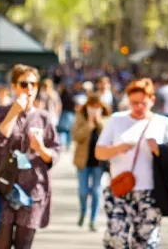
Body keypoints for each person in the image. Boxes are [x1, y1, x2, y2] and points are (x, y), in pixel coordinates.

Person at [95, 78, 168, 249]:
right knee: (117, 241)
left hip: (150, 193)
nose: (139, 107)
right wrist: (118, 148)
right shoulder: (116, 120)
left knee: (146, 243)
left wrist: (158, 150)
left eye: (143, 103)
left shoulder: (164, 123)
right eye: (134, 103)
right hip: (120, 190)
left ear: (152, 100)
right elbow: (99, 153)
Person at [0, 64, 60, 248]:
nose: (29, 89)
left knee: (23, 245)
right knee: (0, 243)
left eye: (33, 84)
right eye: (24, 84)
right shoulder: (2, 112)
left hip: (33, 190)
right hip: (5, 186)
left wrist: (41, 148)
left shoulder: (43, 117)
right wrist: (14, 111)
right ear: (14, 86)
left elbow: (55, 152)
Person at [71, 93, 110, 232]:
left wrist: (99, 123)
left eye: (96, 107)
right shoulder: (80, 117)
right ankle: (83, 211)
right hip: (83, 161)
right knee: (83, 190)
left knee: (96, 191)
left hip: (99, 162)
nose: (93, 110)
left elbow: (109, 137)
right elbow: (75, 136)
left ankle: (93, 219)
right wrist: (89, 125)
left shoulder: (106, 119)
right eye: (91, 107)